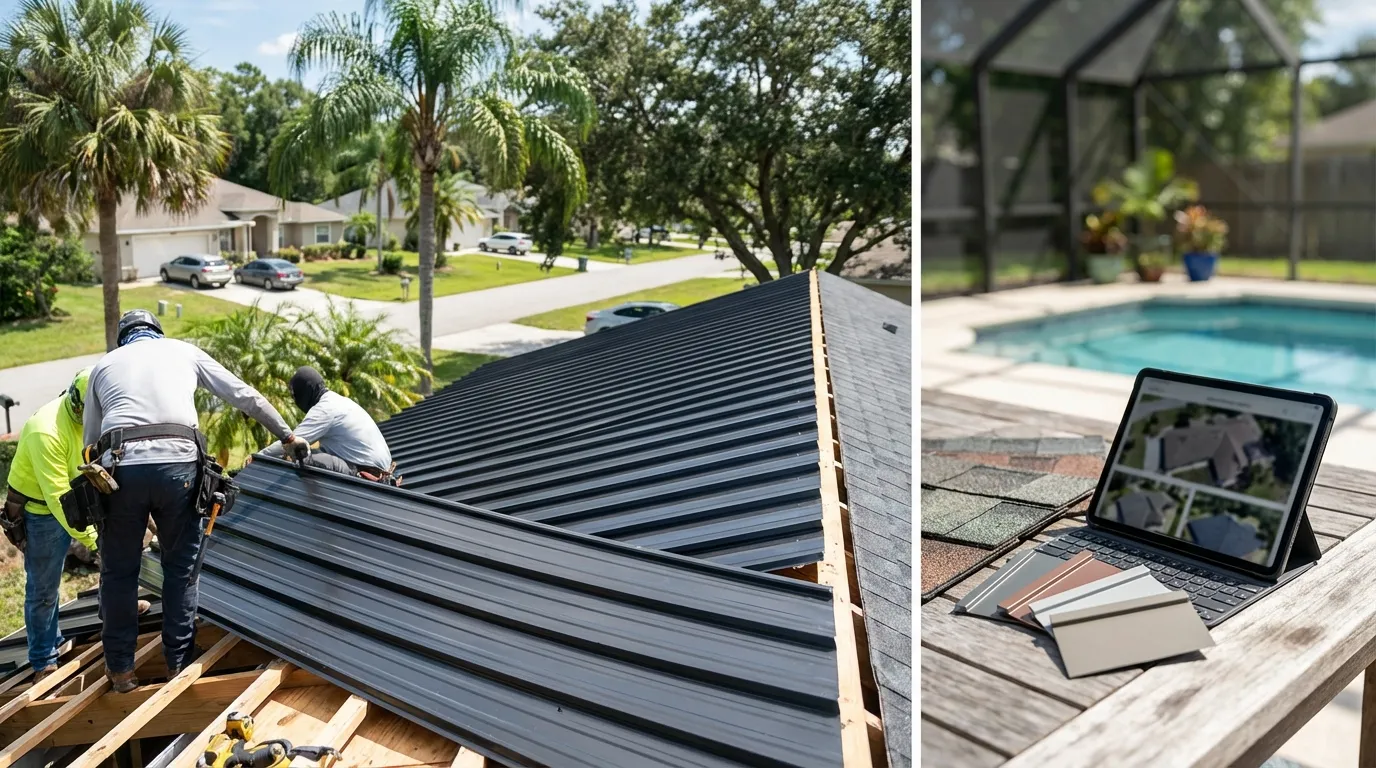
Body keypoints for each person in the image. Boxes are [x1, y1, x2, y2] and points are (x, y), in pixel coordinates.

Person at [84, 310, 309, 693]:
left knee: (119, 574)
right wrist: (288, 437)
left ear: (123, 339)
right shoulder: (182, 351)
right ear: (158, 332)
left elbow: (90, 442)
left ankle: (121, 670)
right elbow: (244, 396)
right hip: (179, 467)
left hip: (119, 469)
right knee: (181, 569)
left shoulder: (103, 366)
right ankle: (178, 663)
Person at [3, 368, 99, 680]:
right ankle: (43, 658)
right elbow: (59, 501)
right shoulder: (46, 431)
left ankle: (58, 638)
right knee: (43, 586)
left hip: (70, 495)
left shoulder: (90, 416)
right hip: (41, 510)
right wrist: (94, 540)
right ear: (77, 404)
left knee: (53, 581)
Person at [258, 367, 395, 482]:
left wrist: (258, 458)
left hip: (368, 472)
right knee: (313, 452)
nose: (295, 401)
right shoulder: (338, 400)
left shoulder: (324, 409)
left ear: (305, 392)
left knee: (299, 458)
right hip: (384, 471)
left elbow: (289, 442)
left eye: (296, 396)